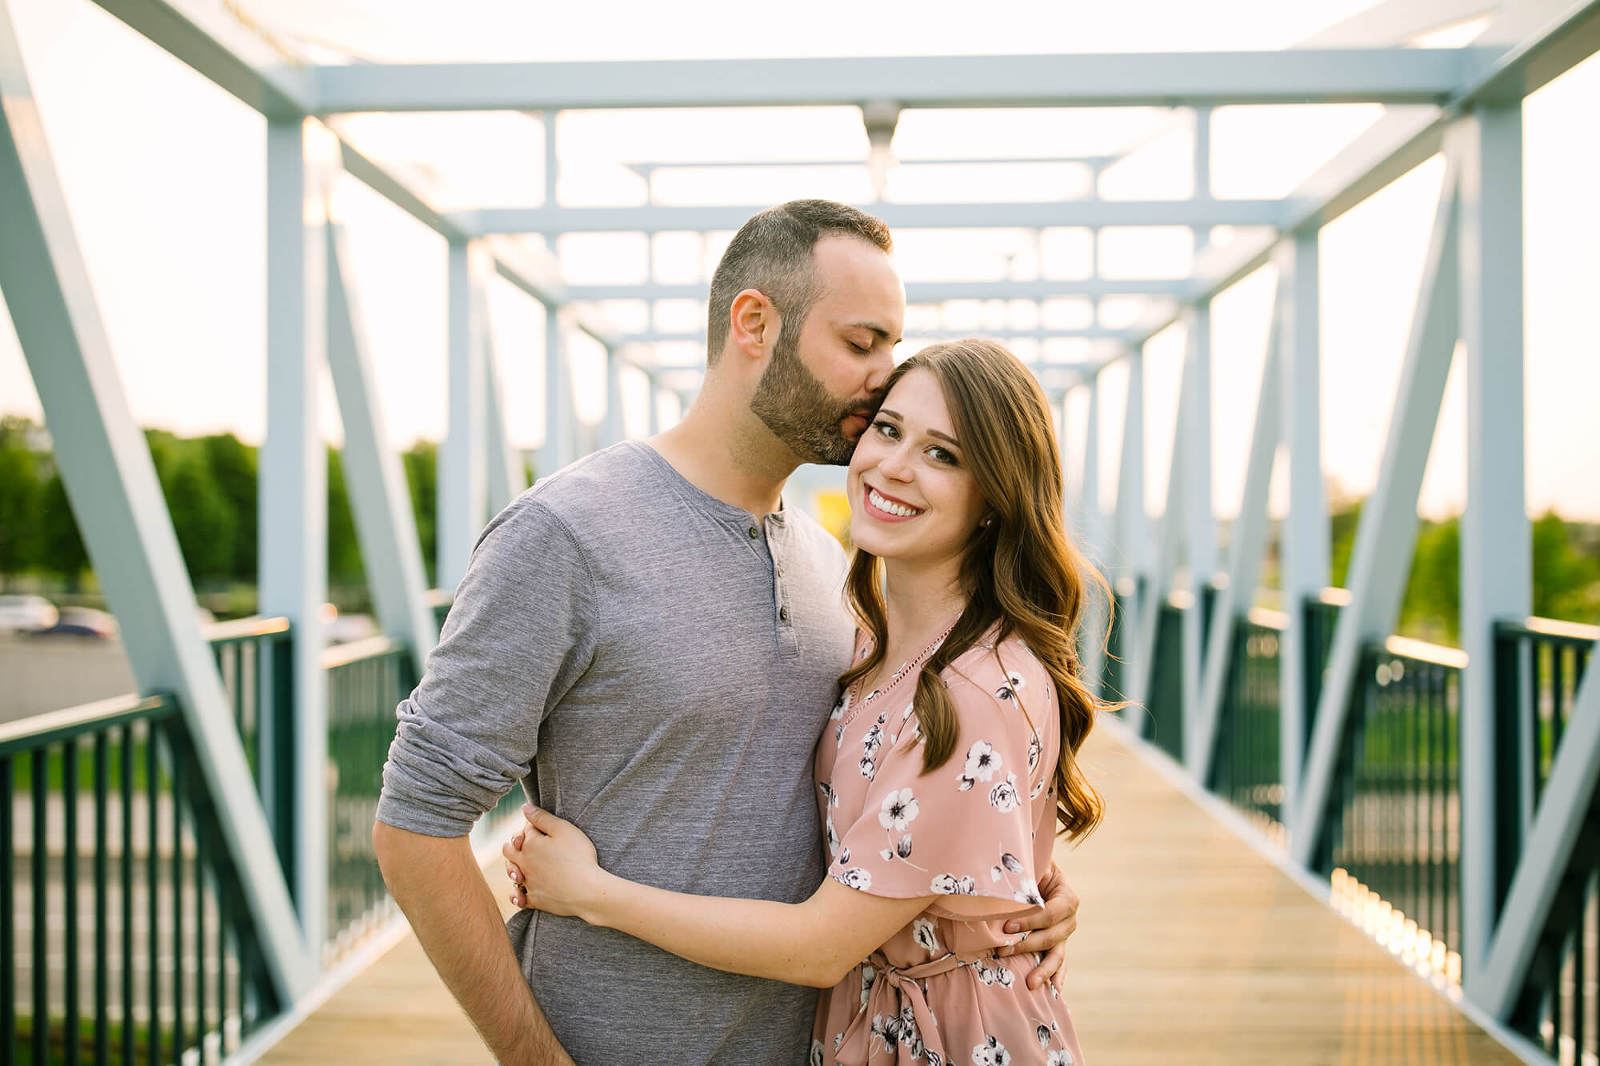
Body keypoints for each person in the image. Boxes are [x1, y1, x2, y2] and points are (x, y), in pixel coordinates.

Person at [372, 201, 1082, 1066]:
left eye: (892, 350)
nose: (882, 379)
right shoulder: (565, 535)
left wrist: (1009, 886)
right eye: (863, 345)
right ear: (754, 323)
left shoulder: (831, 568)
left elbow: (907, 795)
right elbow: (415, 823)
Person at [504, 339, 1106, 1066]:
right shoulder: (873, 647)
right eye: (887, 429)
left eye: (943, 455)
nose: (894, 465)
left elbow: (823, 947)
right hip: (871, 1020)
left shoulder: (974, 691)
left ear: (995, 497)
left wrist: (591, 893)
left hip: (951, 1037)